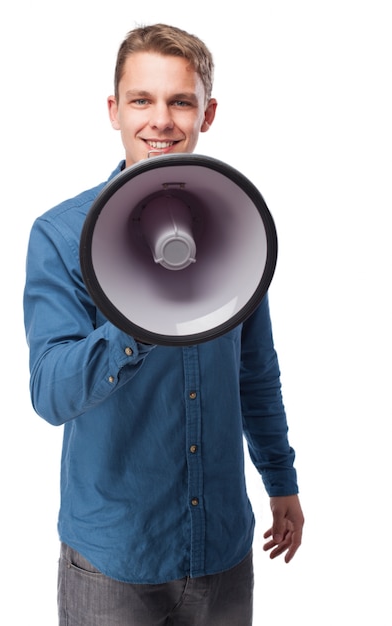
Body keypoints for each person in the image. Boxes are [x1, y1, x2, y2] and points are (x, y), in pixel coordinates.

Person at [23, 23, 304, 626]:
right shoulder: (60, 235)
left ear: (208, 112)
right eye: (141, 100)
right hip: (113, 559)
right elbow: (50, 393)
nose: (161, 120)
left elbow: (256, 371)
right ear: (113, 110)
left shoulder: (238, 231)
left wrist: (281, 480)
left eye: (180, 101)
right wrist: (137, 322)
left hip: (221, 550)